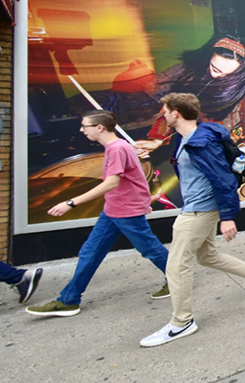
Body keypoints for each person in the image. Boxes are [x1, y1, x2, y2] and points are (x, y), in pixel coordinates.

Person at [139, 93, 245, 348]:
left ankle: (182, 322)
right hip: (196, 206)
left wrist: (227, 217)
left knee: (176, 266)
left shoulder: (201, 142)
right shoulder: (187, 137)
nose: (163, 115)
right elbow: (191, 174)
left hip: (199, 211)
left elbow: (223, 179)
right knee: (206, 256)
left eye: (165, 111)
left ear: (176, 113)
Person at [27, 110, 169, 318]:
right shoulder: (120, 146)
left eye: (85, 126)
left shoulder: (117, 149)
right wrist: (143, 200)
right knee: (90, 253)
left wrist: (71, 202)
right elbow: (136, 176)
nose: (81, 129)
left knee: (150, 249)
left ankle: (178, 279)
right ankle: (69, 300)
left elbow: (112, 182)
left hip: (125, 211)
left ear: (100, 128)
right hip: (114, 209)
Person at [135, 35, 245, 154]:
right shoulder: (193, 78)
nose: (219, 76)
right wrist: (157, 139)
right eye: (215, 68)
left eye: (230, 75)